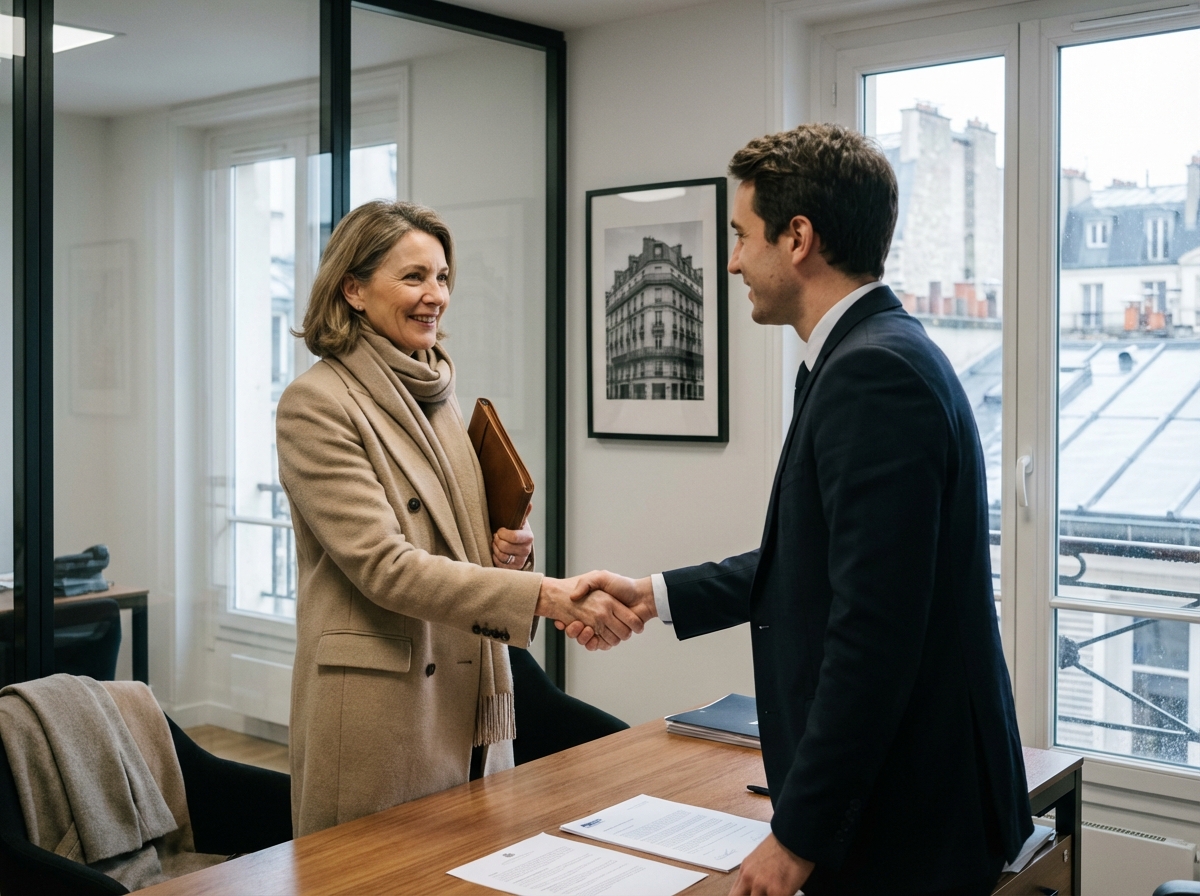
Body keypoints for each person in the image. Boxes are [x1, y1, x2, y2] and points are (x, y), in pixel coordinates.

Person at [568, 125, 1033, 896]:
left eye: (742, 236)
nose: (731, 262)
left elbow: (872, 635)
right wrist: (652, 596)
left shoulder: (871, 373)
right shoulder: (869, 353)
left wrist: (797, 836)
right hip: (908, 799)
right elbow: (818, 564)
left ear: (799, 239)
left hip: (906, 818)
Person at [277, 200, 641, 837]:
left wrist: (510, 552)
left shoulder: (439, 394)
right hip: (381, 713)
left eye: (442, 277)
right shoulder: (316, 404)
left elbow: (455, 546)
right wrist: (545, 594)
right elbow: (385, 567)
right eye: (413, 277)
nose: (435, 296)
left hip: (466, 697)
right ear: (353, 288)